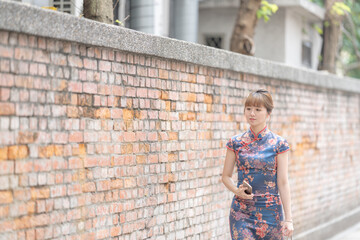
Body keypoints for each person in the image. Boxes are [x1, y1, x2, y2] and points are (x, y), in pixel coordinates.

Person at [222, 89, 294, 239]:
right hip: (241, 212)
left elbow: (283, 182)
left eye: (257, 109)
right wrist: (237, 191)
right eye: (248, 109)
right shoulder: (235, 142)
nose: (251, 113)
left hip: (270, 213)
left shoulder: (279, 144)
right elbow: (226, 176)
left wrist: (288, 219)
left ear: (268, 114)